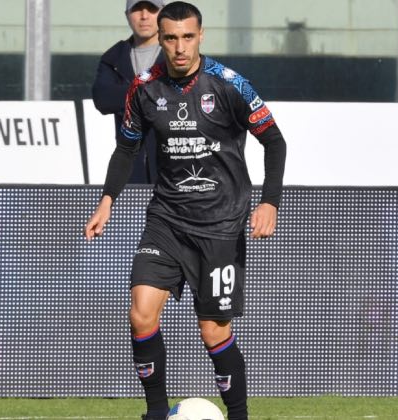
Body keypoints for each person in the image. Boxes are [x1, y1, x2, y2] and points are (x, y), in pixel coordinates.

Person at [84, 2, 286, 419]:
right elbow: (126, 148)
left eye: (187, 37)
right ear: (159, 38)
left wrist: (269, 202)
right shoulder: (143, 88)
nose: (179, 47)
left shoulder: (230, 85)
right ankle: (156, 413)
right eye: (170, 38)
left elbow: (275, 142)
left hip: (220, 227)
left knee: (213, 332)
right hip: (166, 221)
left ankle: (239, 415)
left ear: (201, 35)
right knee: (140, 314)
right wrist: (106, 202)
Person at [91, 0, 165, 184]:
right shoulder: (113, 57)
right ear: (127, 15)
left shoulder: (177, 54)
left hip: (173, 167)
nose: (144, 16)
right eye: (137, 9)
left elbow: (183, 96)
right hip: (131, 167)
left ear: (163, 13)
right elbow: (103, 99)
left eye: (152, 9)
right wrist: (154, 94)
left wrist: (130, 98)